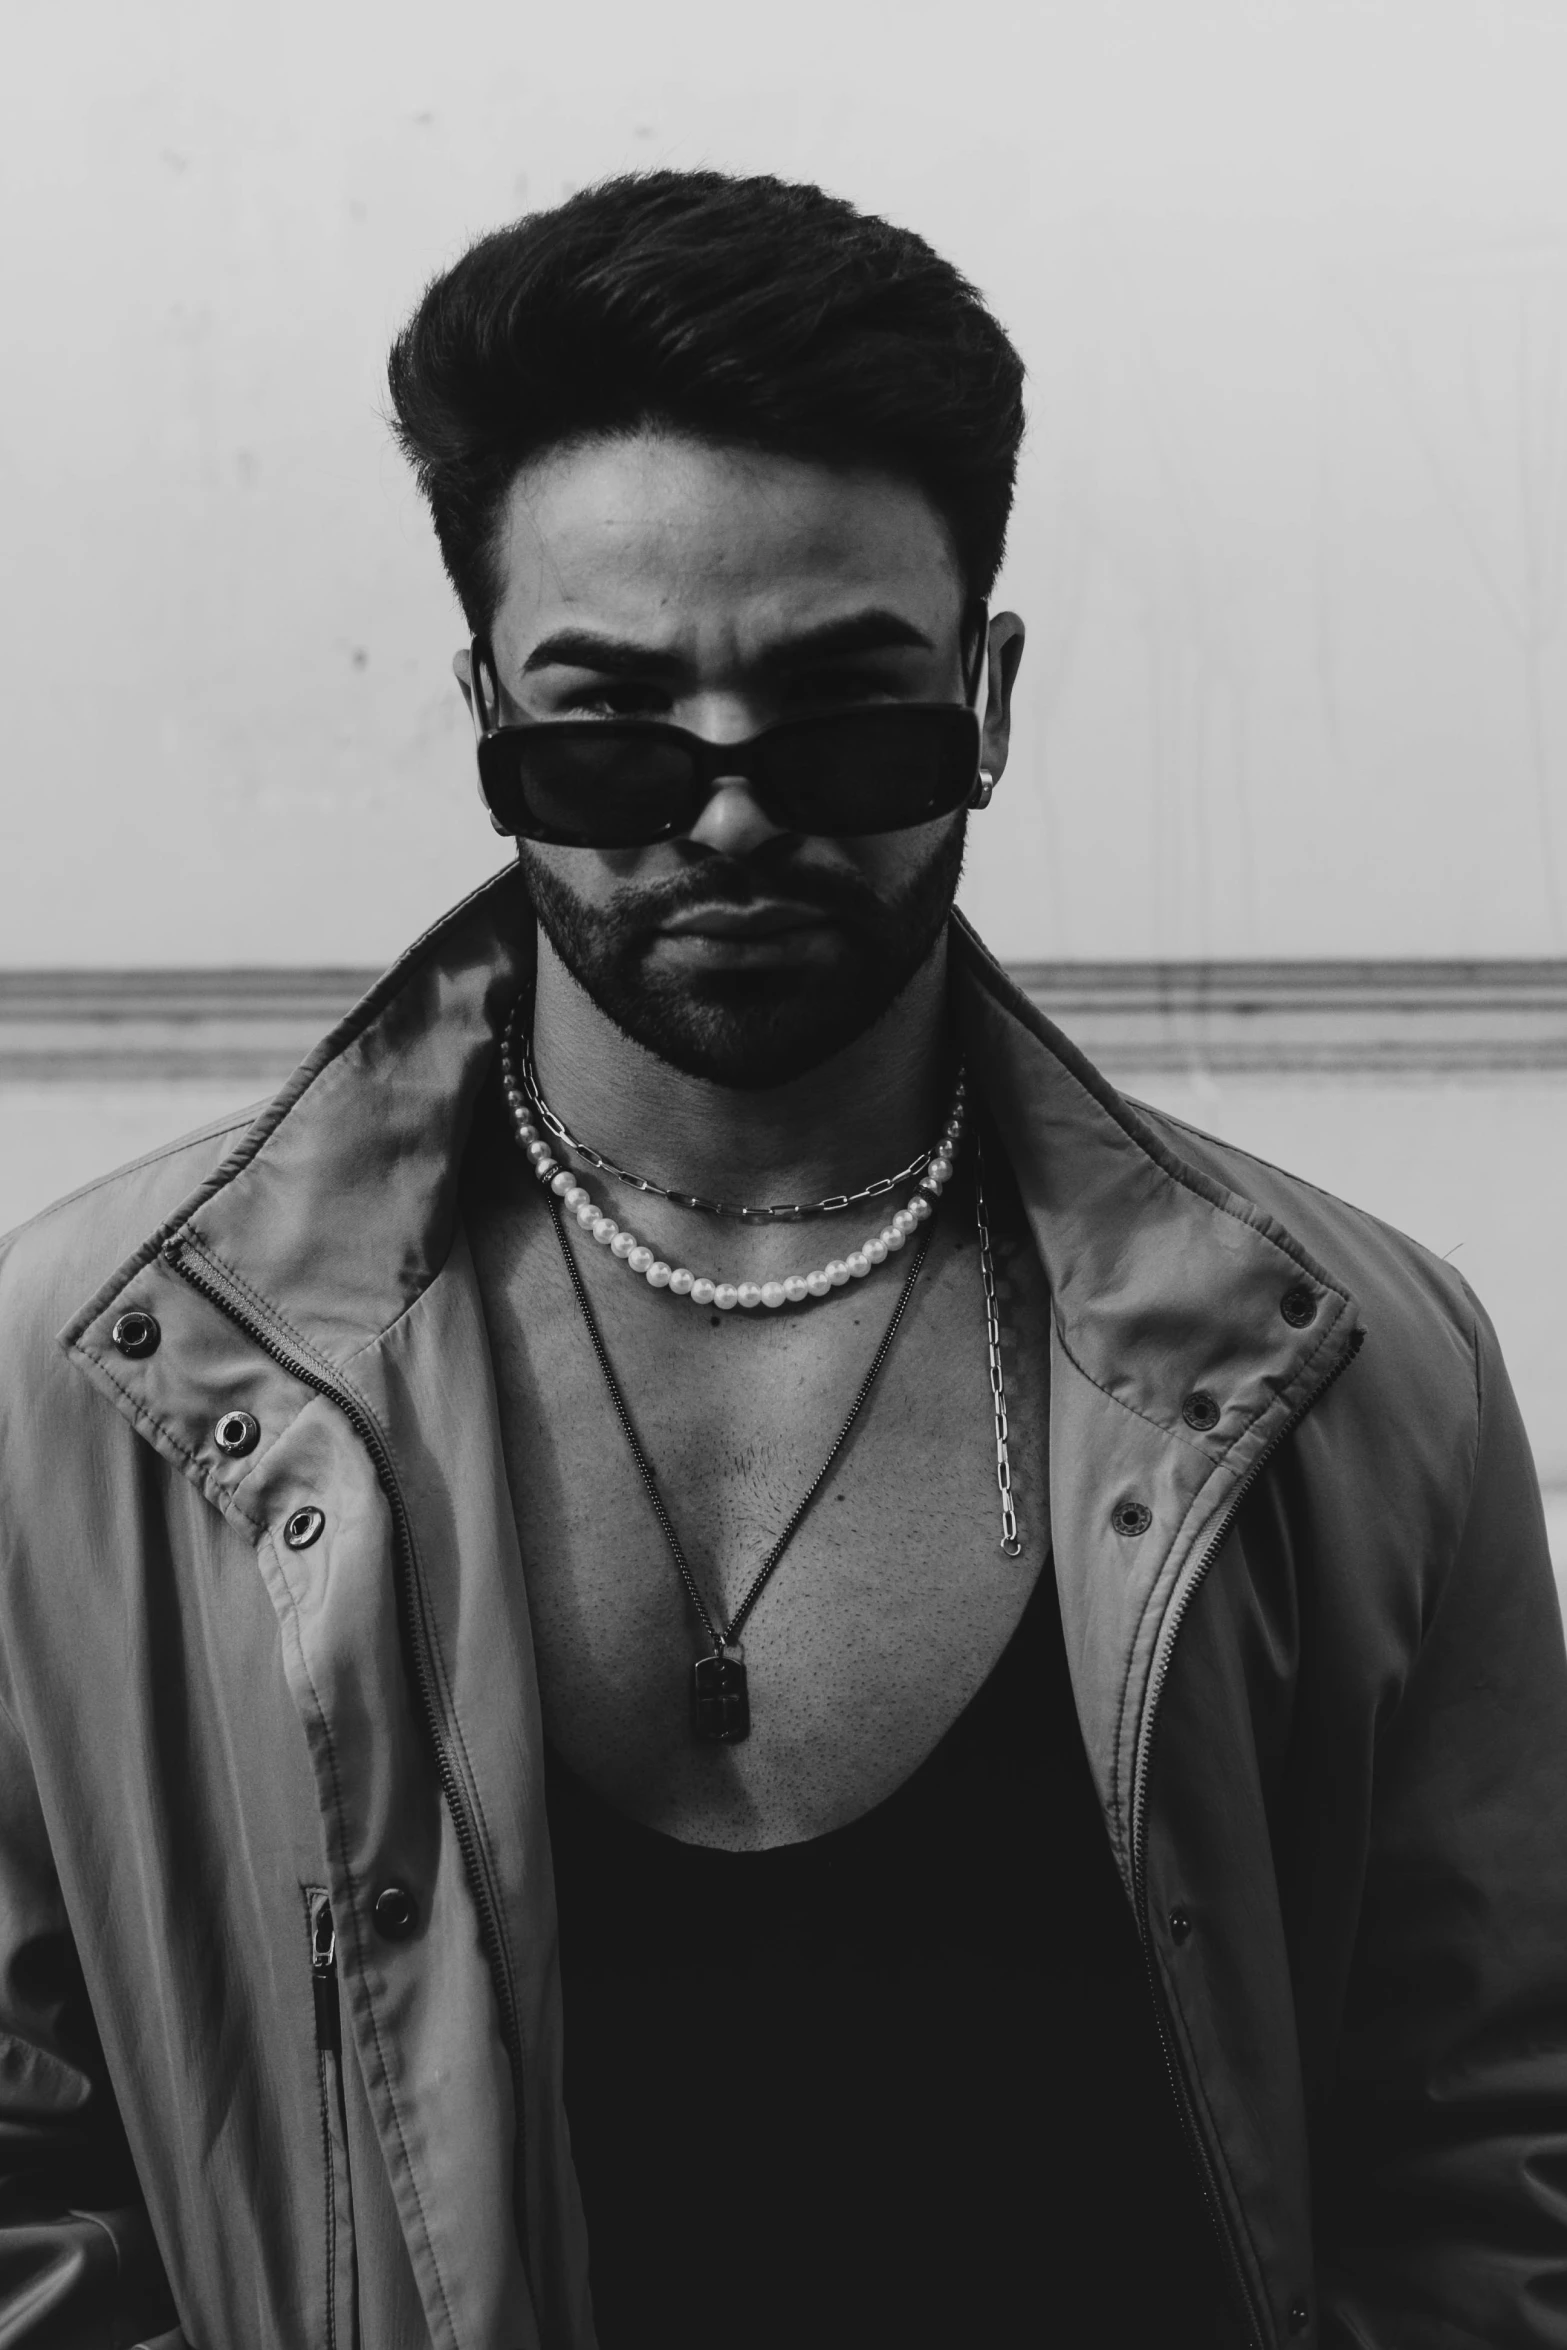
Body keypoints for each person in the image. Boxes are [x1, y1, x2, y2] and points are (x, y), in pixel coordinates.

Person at [0, 167, 1564, 2350]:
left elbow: (1491, 2152)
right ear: (482, 713)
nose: (729, 815)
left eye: (845, 718)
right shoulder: (93, 1385)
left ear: (988, 692)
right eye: (611, 731)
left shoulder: (1362, 1373)